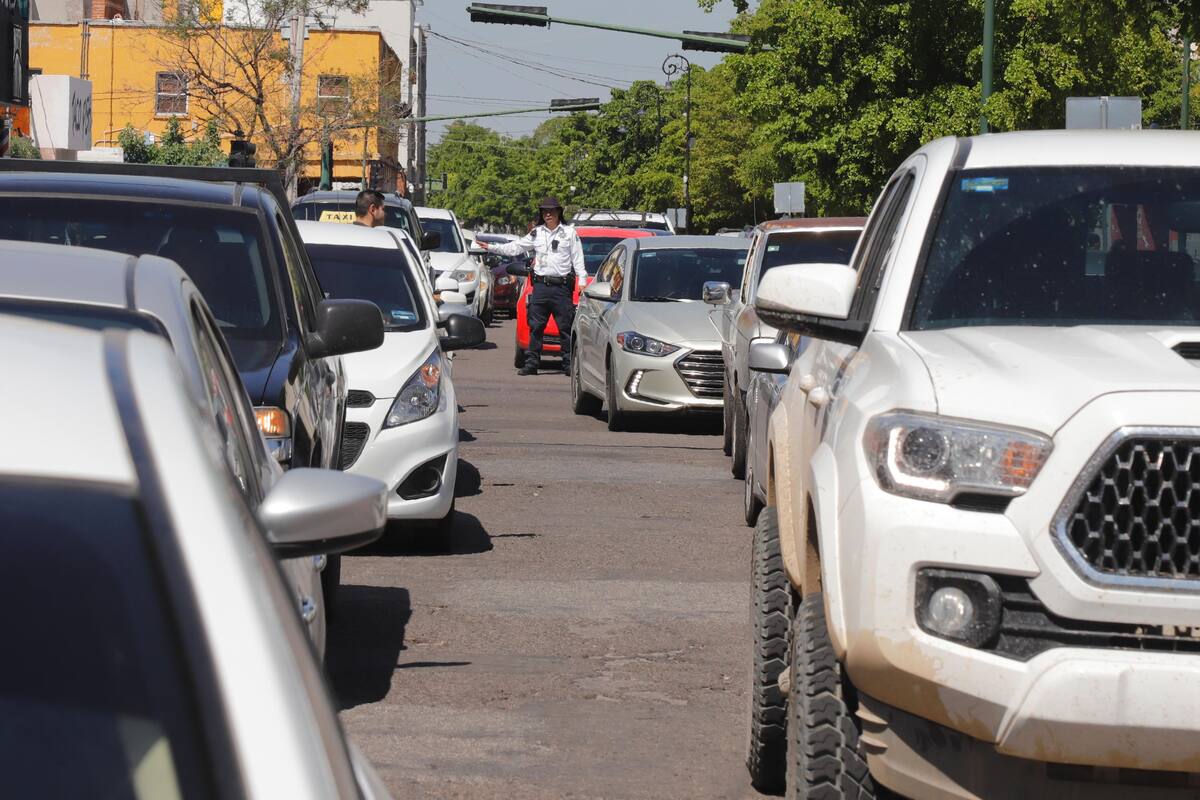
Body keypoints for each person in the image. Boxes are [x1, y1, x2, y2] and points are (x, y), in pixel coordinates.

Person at [480, 197, 586, 376]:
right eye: (545, 211)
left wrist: (582, 281)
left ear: (559, 212)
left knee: (565, 328)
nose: (548, 214)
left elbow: (578, 260)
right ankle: (532, 364)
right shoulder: (537, 233)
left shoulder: (569, 233)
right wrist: (492, 247)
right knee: (536, 327)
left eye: (552, 211)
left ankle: (568, 364)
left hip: (561, 288)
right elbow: (515, 248)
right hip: (541, 287)